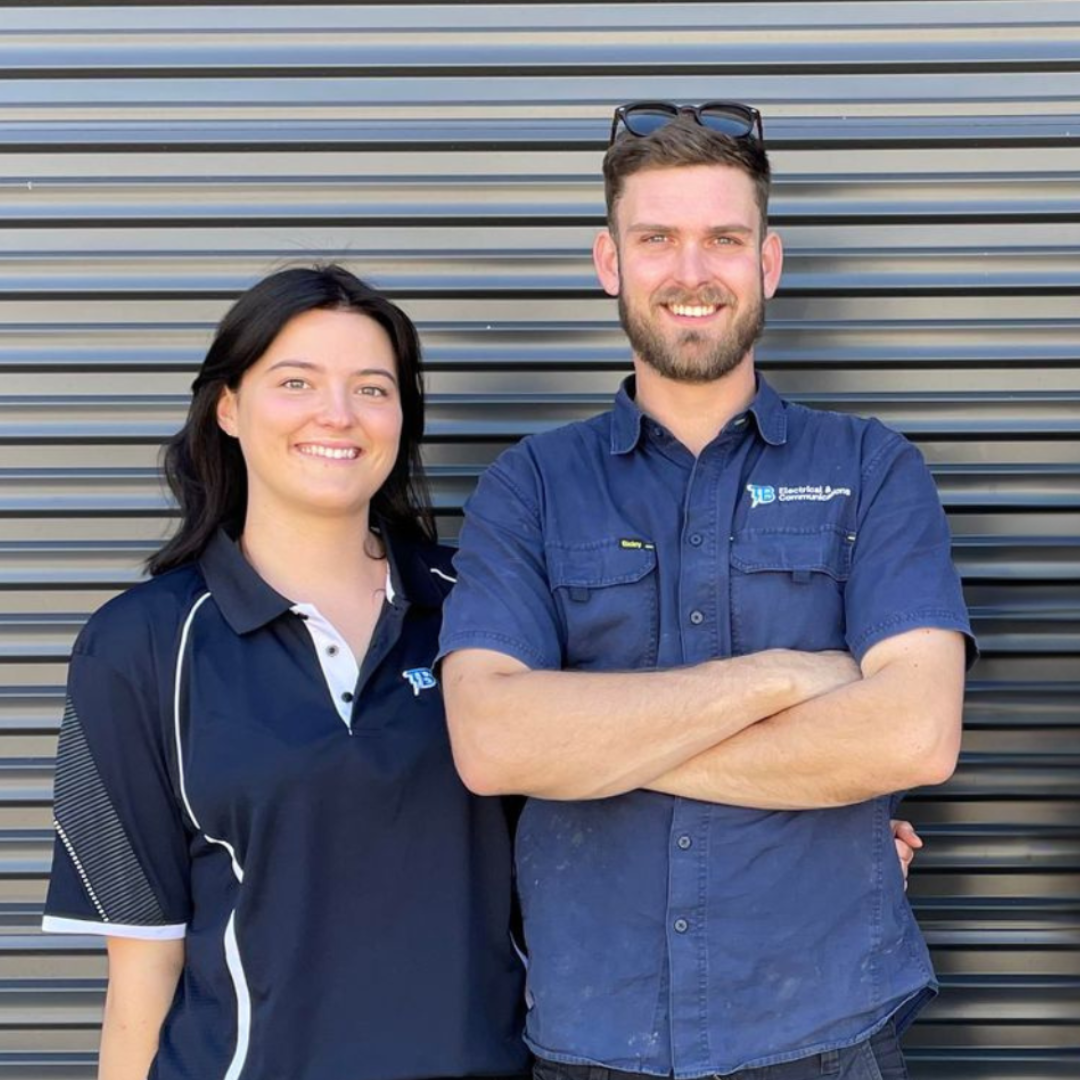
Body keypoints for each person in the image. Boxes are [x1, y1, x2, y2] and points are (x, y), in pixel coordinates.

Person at [438, 103, 975, 1080]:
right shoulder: (533, 485)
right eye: (657, 240)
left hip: (827, 1036)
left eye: (723, 239)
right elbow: (492, 743)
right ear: (610, 262)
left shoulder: (871, 468)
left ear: (768, 263)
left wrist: (597, 748)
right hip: (595, 1042)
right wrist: (787, 678)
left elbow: (914, 734)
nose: (692, 272)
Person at [41, 266, 530, 1080]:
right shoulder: (134, 646)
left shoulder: (487, 605)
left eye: (372, 388)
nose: (337, 413)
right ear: (228, 408)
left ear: (402, 419)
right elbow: (141, 973)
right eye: (296, 382)